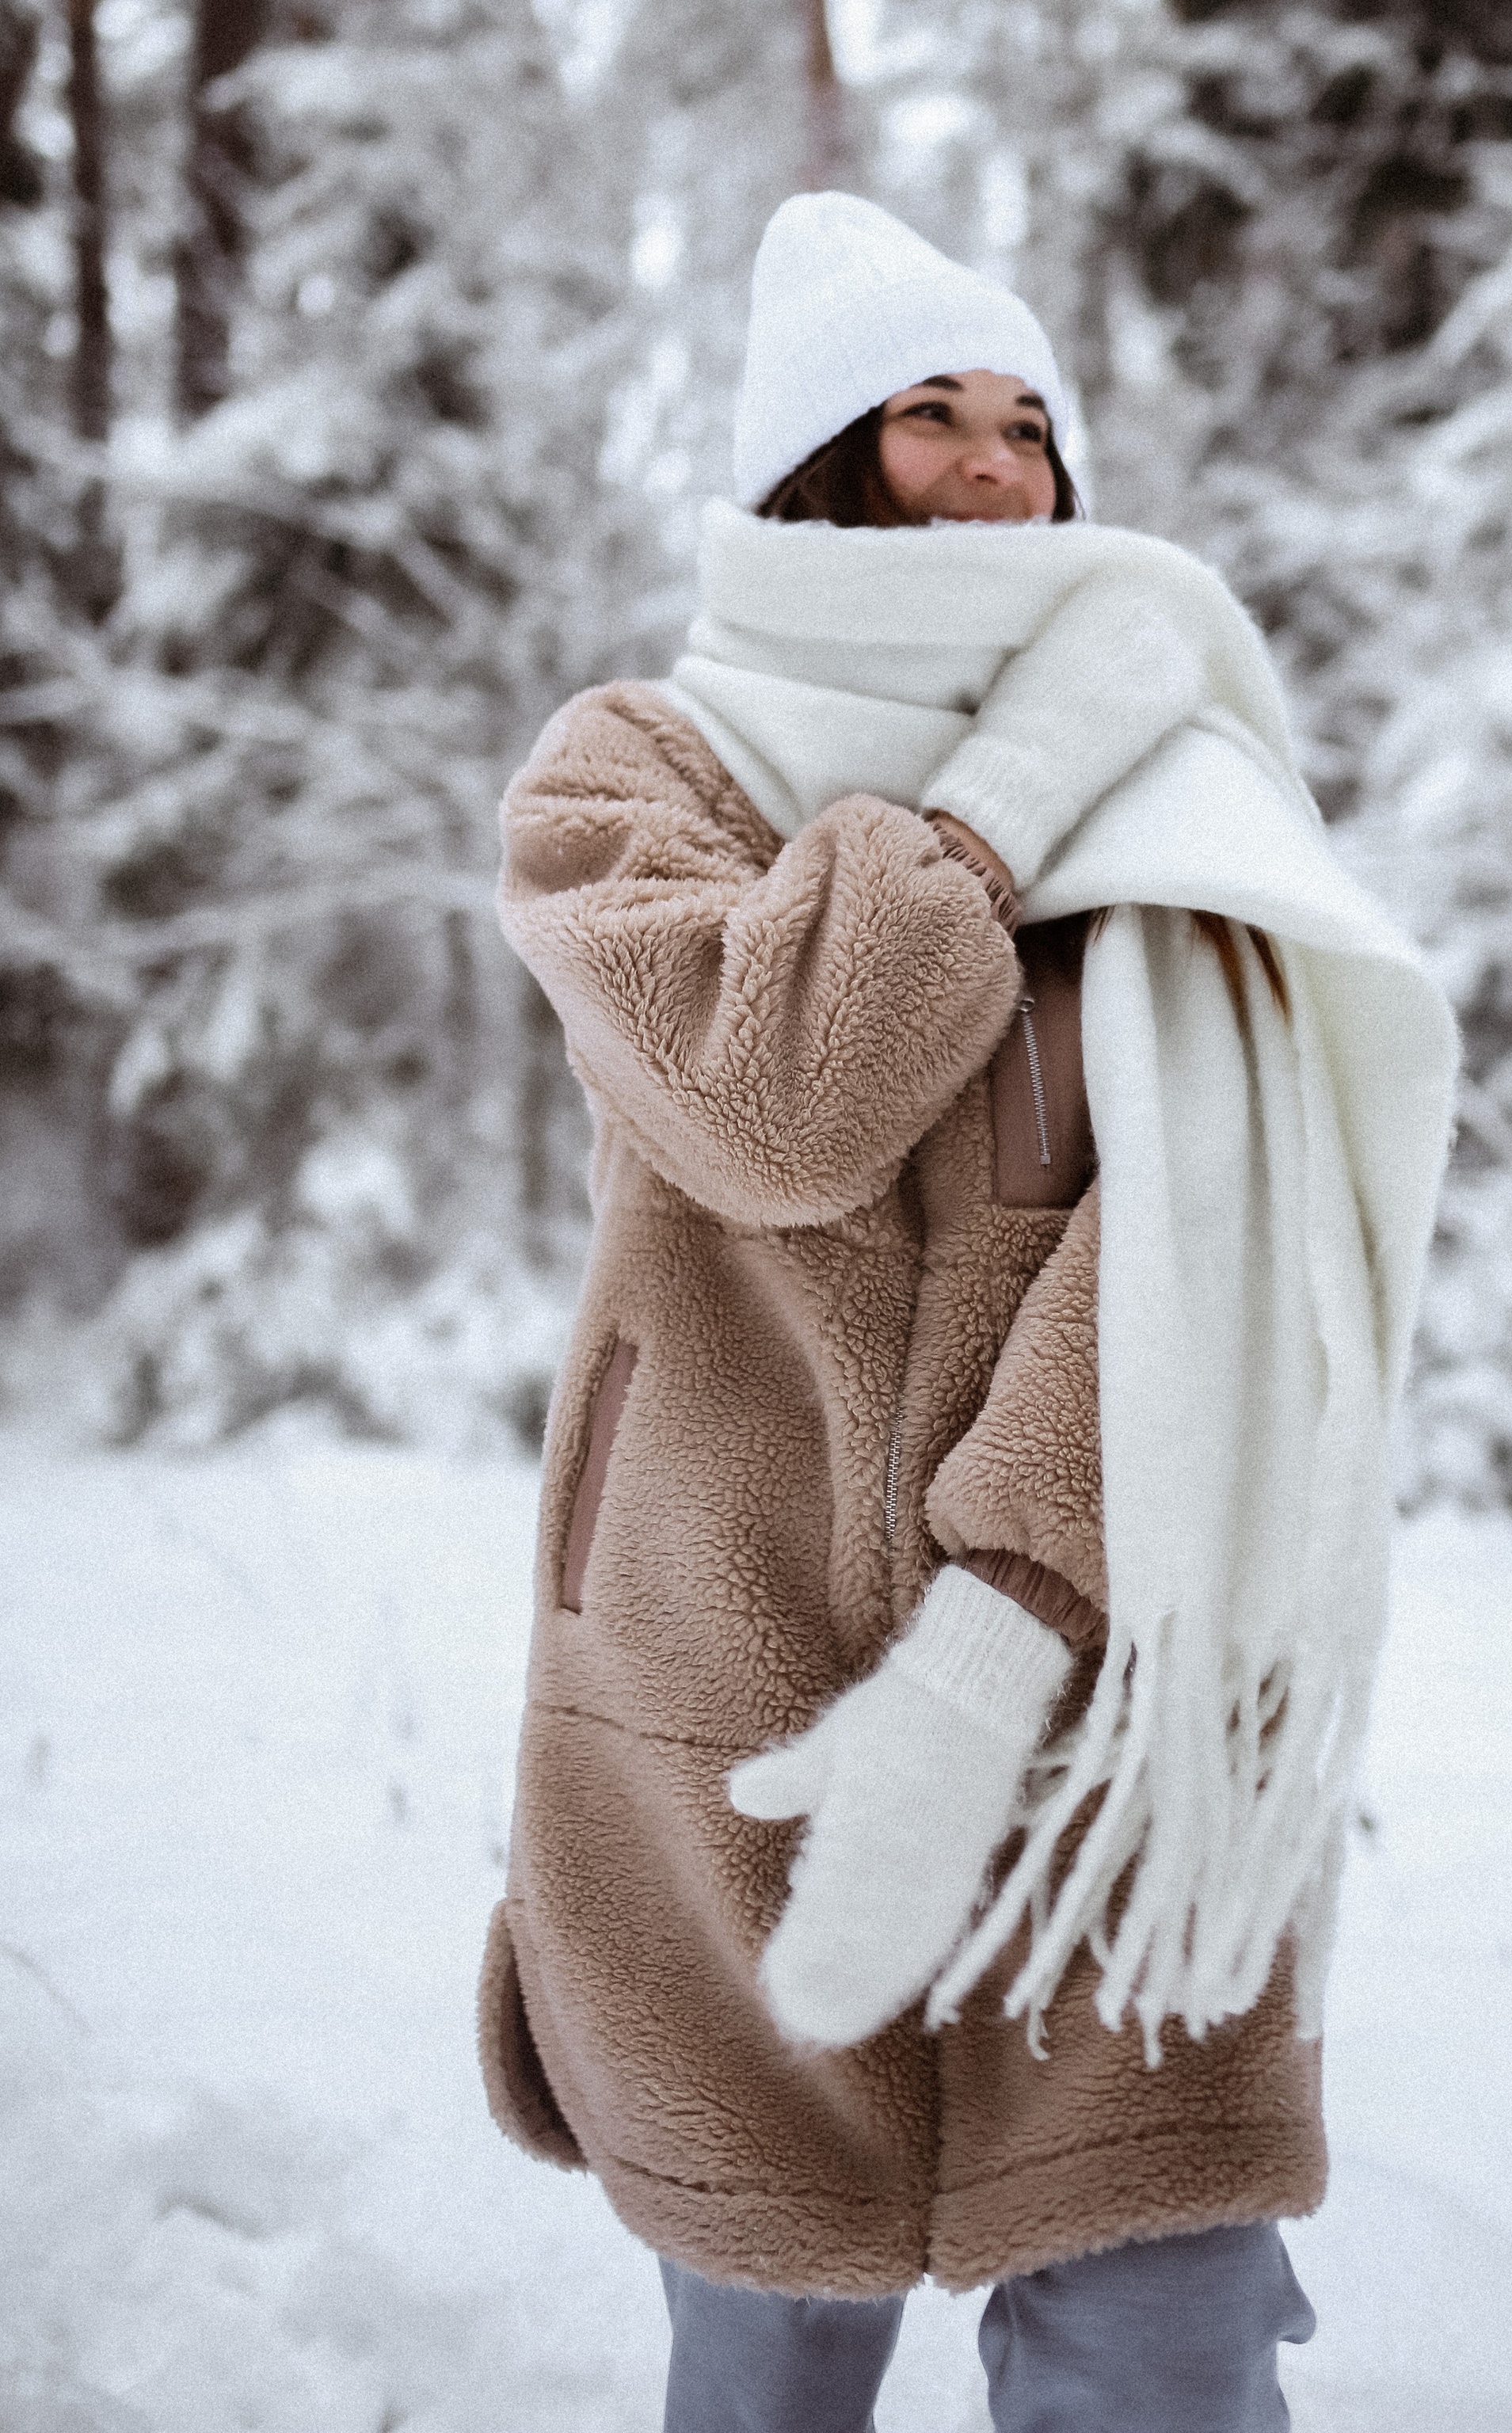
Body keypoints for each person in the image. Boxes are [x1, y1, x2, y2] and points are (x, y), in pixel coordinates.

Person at [481, 193, 1457, 2431]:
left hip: (1111, 1697)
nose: (1001, 470)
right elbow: (779, 1101)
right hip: (718, 1686)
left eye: (1030, 425)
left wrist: (1021, 1601)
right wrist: (1004, 796)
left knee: (1165, 2343)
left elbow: (1232, 1232)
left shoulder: (1179, 775)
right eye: (933, 416)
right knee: (763, 2351)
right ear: (817, 454)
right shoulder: (629, 779)